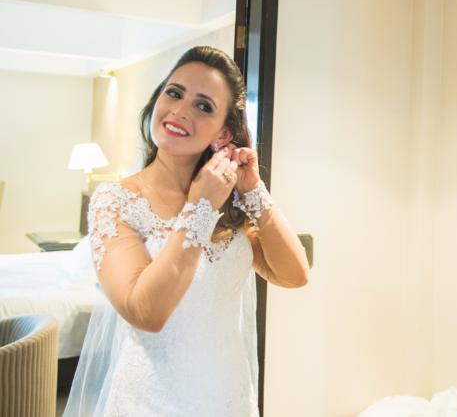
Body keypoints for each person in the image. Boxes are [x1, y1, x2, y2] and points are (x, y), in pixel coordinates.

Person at [64, 46, 310, 416]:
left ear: (224, 133)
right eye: (174, 93)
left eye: (203, 106)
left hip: (228, 394)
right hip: (152, 401)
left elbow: (295, 275)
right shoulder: (116, 201)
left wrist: (254, 192)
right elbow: (145, 312)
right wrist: (200, 208)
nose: (180, 110)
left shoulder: (231, 202)